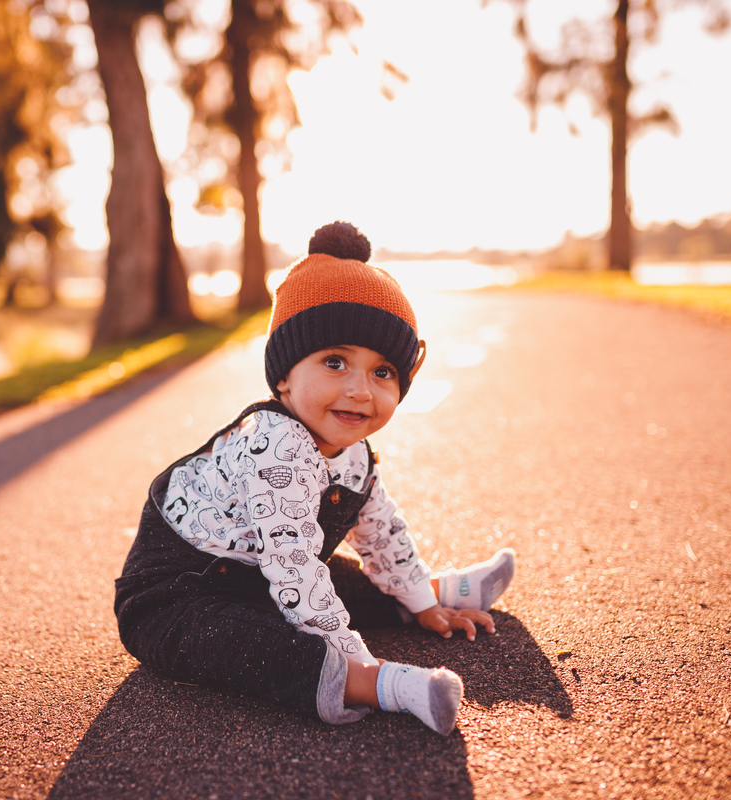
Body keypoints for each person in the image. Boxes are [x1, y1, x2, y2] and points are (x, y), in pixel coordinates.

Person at [114, 221, 515, 734]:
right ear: (283, 376)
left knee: (344, 580)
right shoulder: (274, 446)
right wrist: (356, 657)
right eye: (334, 362)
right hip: (176, 598)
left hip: (259, 574)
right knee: (261, 644)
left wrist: (423, 602)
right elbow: (294, 569)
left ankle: (444, 588)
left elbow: (380, 529)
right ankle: (380, 685)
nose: (360, 390)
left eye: (383, 372)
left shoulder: (354, 453)